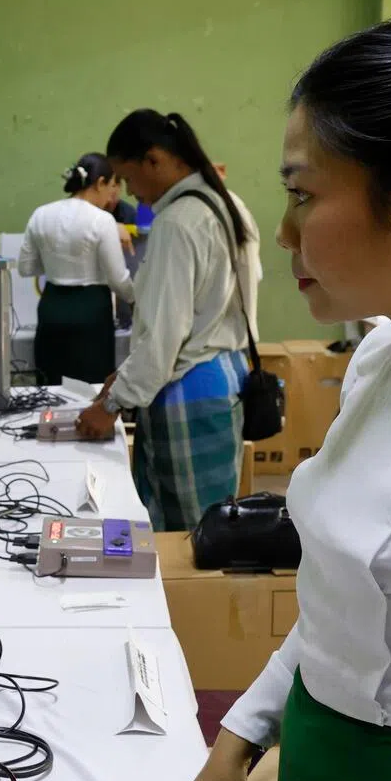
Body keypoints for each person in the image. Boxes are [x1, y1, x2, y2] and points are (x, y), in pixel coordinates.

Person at [124, 17, 391, 781]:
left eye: (303, 195)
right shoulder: (383, 357)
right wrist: (238, 745)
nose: (282, 239)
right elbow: (345, 598)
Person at [76, 111, 261, 531]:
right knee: (212, 526)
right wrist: (123, 379)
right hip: (224, 376)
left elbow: (163, 338)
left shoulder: (176, 224)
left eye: (129, 177)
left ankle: (188, 601)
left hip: (187, 389)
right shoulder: (231, 205)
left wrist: (110, 405)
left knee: (182, 534)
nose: (131, 193)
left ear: (155, 160)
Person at [17, 153, 134, 386]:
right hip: (91, 315)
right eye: (111, 186)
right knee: (91, 391)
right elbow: (118, 279)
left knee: (49, 391)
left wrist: (53, 264)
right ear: (100, 183)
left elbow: (26, 267)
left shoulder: (41, 214)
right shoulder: (102, 220)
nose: (112, 194)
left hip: (51, 309)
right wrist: (136, 299)